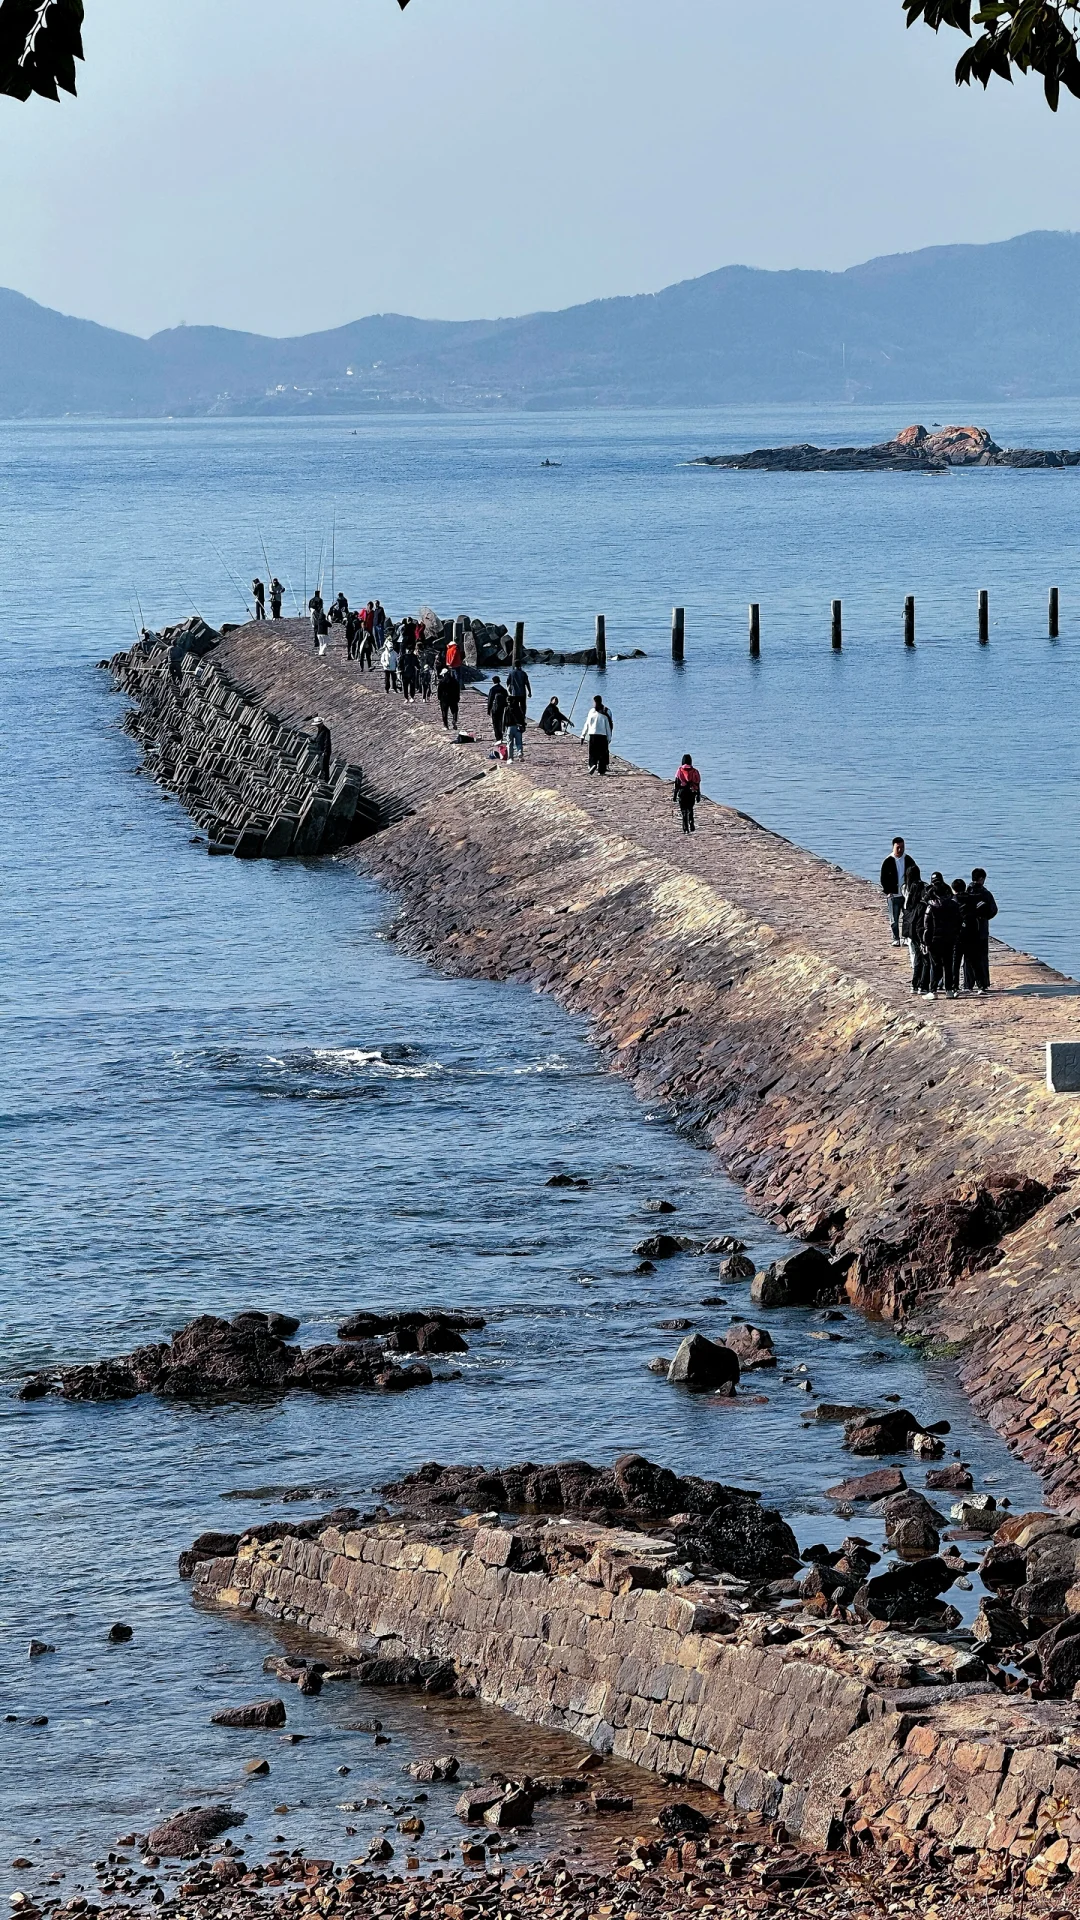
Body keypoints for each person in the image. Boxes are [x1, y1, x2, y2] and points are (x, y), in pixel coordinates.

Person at [922, 871, 961, 997]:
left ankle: (933, 991)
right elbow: (958, 922)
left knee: (935, 965)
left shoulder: (931, 907)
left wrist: (926, 942)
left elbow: (927, 927)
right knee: (948, 965)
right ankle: (949, 990)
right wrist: (955, 935)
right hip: (949, 939)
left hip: (934, 940)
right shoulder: (953, 905)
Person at [966, 867, 999, 993]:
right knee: (982, 957)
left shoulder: (966, 892)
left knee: (968, 958)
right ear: (981, 879)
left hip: (968, 929)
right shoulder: (986, 894)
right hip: (981, 930)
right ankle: (983, 984)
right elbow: (994, 910)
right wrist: (985, 918)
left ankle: (968, 984)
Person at [900, 863, 929, 994]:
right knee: (924, 957)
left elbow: (906, 906)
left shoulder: (905, 888)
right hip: (921, 926)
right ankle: (923, 985)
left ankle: (914, 984)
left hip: (910, 925)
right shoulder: (924, 888)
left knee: (916, 955)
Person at [879, 837, 907, 946]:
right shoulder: (888, 861)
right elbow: (883, 878)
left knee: (907, 918)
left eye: (902, 847)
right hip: (893, 895)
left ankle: (905, 937)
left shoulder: (908, 859)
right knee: (894, 919)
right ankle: (896, 938)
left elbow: (915, 874)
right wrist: (888, 891)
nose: (900, 850)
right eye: (898, 848)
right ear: (893, 847)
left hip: (905, 895)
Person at [580, 694, 613, 774]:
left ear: (595, 702)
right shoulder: (606, 714)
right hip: (603, 736)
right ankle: (601, 770)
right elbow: (608, 727)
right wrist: (609, 738)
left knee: (592, 753)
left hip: (593, 735)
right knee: (602, 754)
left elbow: (587, 724)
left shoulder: (592, 712)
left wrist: (583, 735)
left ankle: (593, 765)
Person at [673, 754, 701, 833]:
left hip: (682, 792)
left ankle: (685, 827)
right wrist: (698, 794)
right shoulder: (695, 771)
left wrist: (675, 795)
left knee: (683, 810)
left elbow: (677, 783)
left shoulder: (680, 770)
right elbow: (698, 783)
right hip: (691, 792)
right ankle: (691, 823)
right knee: (690, 808)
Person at [437, 663, 460, 731]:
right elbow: (457, 690)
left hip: (444, 699)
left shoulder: (442, 682)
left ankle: (446, 725)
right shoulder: (454, 681)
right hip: (453, 698)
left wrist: (439, 698)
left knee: (444, 712)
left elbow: (439, 691)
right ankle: (454, 720)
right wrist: (457, 697)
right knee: (455, 710)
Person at [504, 690, 527, 760]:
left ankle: (510, 757)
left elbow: (504, 720)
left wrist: (503, 729)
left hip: (509, 727)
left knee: (509, 743)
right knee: (519, 742)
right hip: (518, 727)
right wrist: (523, 726)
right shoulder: (518, 709)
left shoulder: (506, 709)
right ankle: (519, 753)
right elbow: (522, 718)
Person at [486, 676, 508, 741]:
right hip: (502, 708)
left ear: (493, 681)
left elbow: (490, 700)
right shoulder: (503, 689)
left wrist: (489, 709)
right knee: (501, 722)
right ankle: (501, 735)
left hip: (495, 709)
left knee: (495, 723)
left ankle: (498, 737)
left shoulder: (492, 689)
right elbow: (507, 699)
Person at [312, 717, 332, 783]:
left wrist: (325, 751)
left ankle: (325, 779)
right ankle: (324, 778)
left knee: (324, 765)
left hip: (325, 751)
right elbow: (318, 738)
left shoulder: (326, 731)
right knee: (322, 765)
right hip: (321, 750)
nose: (317, 726)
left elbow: (327, 742)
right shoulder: (320, 730)